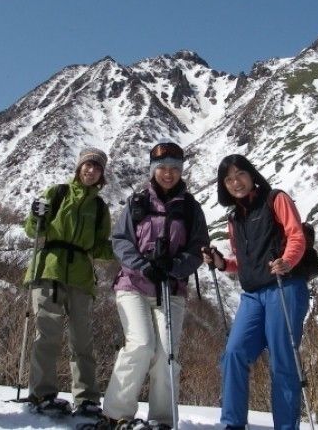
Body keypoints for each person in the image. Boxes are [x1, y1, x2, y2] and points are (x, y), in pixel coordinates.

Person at [102, 141, 209, 429]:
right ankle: (115, 414)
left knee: (167, 355)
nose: (168, 173)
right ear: (152, 170)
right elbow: (121, 241)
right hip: (133, 285)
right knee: (141, 345)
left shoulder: (189, 208)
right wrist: (144, 265)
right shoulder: (137, 202)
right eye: (162, 168)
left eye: (174, 168)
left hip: (170, 289)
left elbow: (199, 246)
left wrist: (175, 268)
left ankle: (162, 420)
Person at [202, 154, 310, 430]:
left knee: (282, 362)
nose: (235, 182)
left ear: (252, 175)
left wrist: (287, 261)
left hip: (283, 288)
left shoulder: (276, 199)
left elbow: (296, 236)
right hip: (253, 295)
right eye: (228, 179)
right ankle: (232, 424)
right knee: (234, 354)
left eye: (240, 175)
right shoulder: (234, 217)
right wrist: (222, 263)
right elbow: (244, 262)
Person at [23, 147, 114, 417]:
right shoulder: (57, 193)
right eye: (87, 165)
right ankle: (42, 394)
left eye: (97, 167)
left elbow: (99, 247)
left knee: (82, 340)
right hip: (49, 268)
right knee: (47, 335)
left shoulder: (99, 208)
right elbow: (32, 230)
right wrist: (35, 214)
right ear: (79, 167)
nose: (91, 170)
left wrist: (126, 249)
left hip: (81, 276)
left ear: (101, 174)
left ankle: (86, 398)